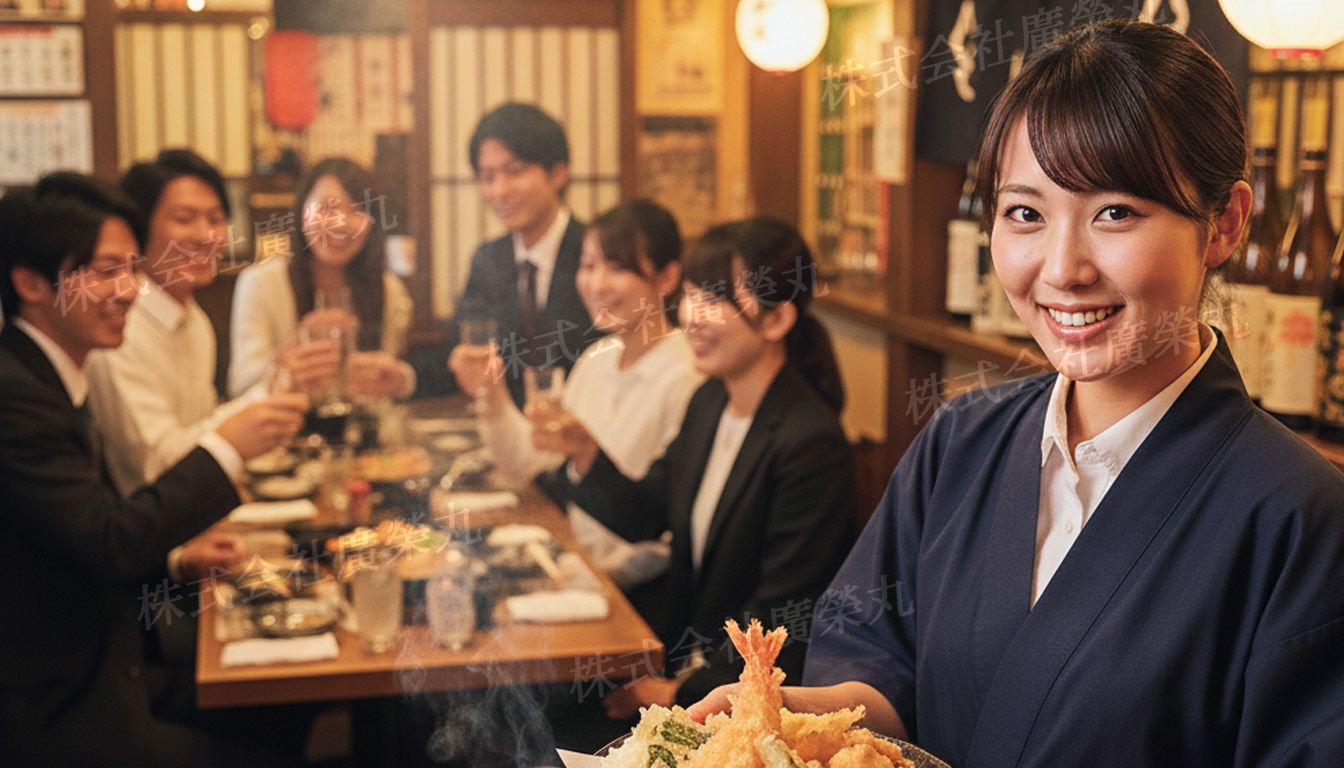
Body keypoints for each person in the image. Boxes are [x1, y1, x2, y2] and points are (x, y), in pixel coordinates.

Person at [690, 21, 1344, 768]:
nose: (1062, 268)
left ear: (1224, 224)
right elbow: (878, 662)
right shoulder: (960, 442)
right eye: (1025, 213)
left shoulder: (1302, 516)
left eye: (1116, 213)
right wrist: (801, 719)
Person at [0, 173, 308, 765]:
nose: (130, 290)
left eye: (132, 269)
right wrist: (226, 447)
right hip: (63, 713)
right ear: (30, 283)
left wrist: (177, 559)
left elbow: (82, 532)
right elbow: (110, 540)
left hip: (113, 667)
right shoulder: (16, 398)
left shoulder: (55, 375)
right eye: (105, 271)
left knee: (280, 701)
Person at [560, 216, 856, 719]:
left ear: (777, 320)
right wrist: (584, 452)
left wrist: (679, 692)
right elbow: (646, 514)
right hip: (689, 665)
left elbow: (782, 615)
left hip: (759, 700)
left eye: (715, 299)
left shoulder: (809, 442)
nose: (691, 316)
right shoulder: (709, 402)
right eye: (693, 294)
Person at [448, 198, 703, 592]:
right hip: (576, 570)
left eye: (616, 267)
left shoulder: (688, 376)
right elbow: (531, 462)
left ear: (667, 279)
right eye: (587, 265)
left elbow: (664, 529)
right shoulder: (596, 360)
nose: (596, 284)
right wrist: (493, 393)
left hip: (639, 591)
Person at [86, 149, 306, 497]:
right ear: (138, 230)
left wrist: (276, 388)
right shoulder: (118, 327)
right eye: (185, 218)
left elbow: (199, 426)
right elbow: (155, 465)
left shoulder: (194, 318)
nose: (207, 236)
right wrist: (252, 412)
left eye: (217, 219)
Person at [228, 156, 415, 402]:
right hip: (281, 433)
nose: (341, 223)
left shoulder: (390, 291)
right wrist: (293, 354)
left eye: (358, 210)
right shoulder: (260, 284)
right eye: (327, 208)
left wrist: (399, 379)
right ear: (301, 212)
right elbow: (240, 386)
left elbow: (392, 376)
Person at [446, 102, 594, 407]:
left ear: (558, 174)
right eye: (488, 177)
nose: (500, 191)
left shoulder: (596, 255)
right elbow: (461, 350)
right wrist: (403, 376)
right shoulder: (488, 260)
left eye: (515, 171)